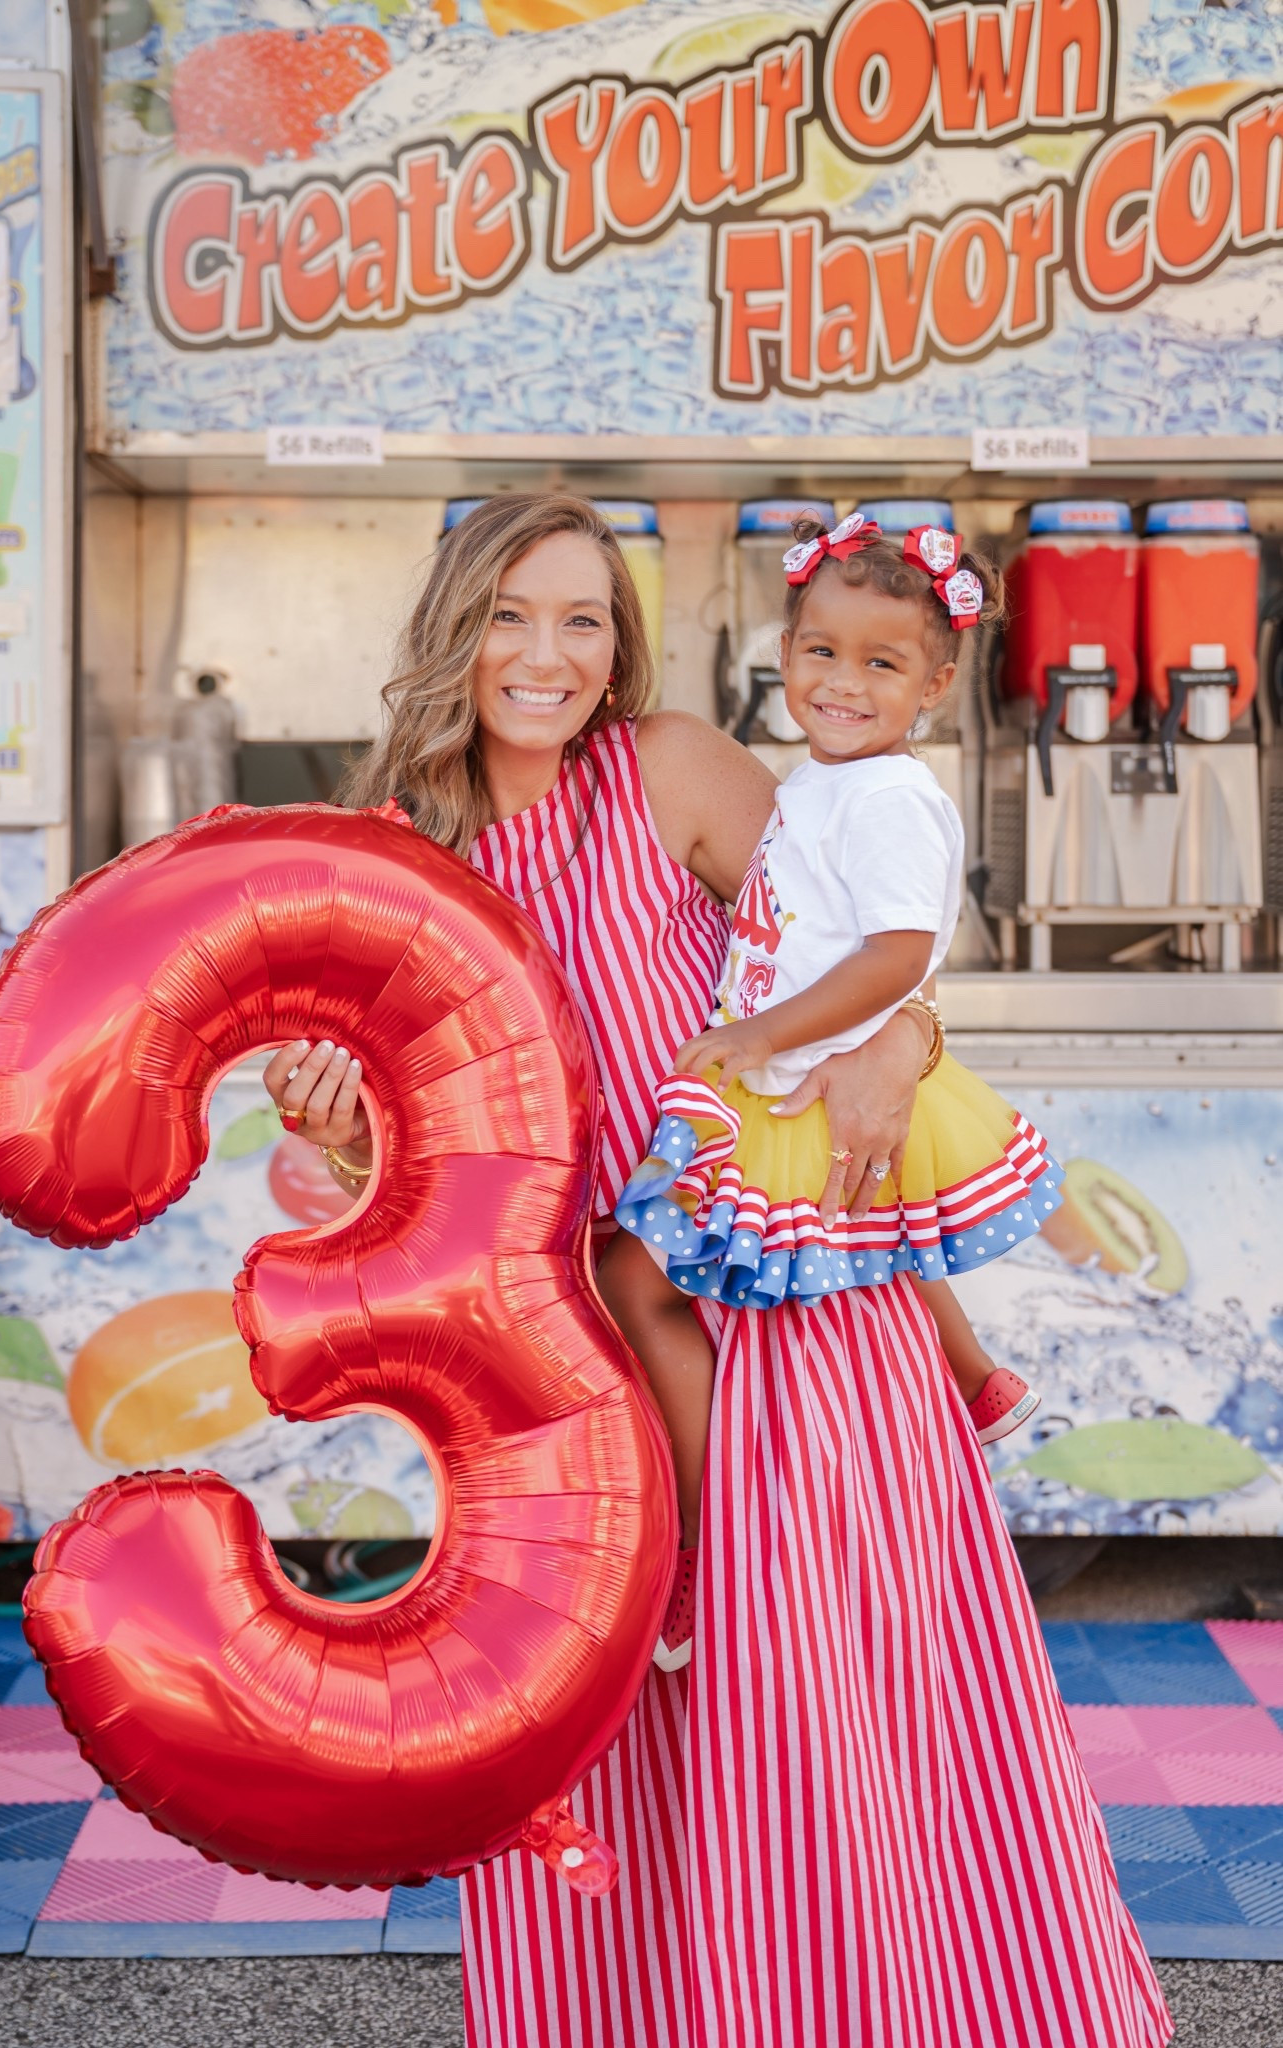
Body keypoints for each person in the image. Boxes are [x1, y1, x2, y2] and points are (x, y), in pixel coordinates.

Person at [263, 495, 1171, 2048]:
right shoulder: (396, 856)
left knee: (836, 1712)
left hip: (788, 1304)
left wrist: (902, 1045)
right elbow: (416, 1177)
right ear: (448, 629)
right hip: (570, 1350)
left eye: (582, 620)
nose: (544, 657)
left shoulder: (665, 764)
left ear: (621, 643)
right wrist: (339, 1131)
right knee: (625, 1730)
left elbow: (866, 944)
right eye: (507, 616)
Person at [603, 512, 1050, 1664]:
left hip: (800, 1080)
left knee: (635, 1275)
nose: (839, 682)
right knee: (892, 1241)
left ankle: (702, 1553)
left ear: (936, 684)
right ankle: (979, 1384)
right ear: (784, 647)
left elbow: (901, 956)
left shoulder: (887, 797)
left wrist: (754, 1034)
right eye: (818, 651)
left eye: (879, 662)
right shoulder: (821, 779)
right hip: (790, 1066)